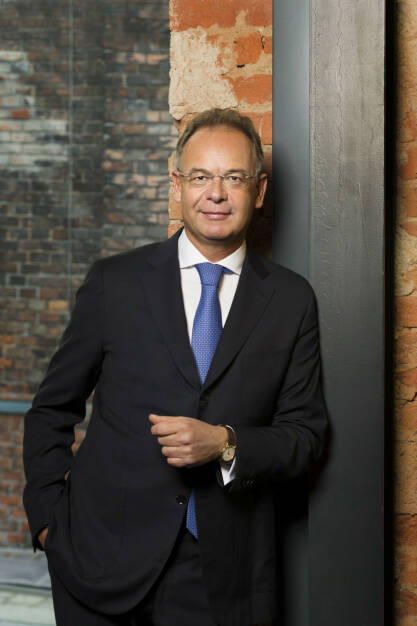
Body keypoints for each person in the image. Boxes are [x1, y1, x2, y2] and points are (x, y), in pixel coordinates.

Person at [23, 108, 327, 626]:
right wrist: (49, 522)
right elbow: (52, 409)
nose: (216, 194)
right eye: (201, 176)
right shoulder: (115, 284)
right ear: (177, 185)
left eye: (234, 177)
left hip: (221, 576)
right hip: (98, 561)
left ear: (258, 191)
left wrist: (226, 443)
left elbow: (305, 436)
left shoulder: (291, 300)